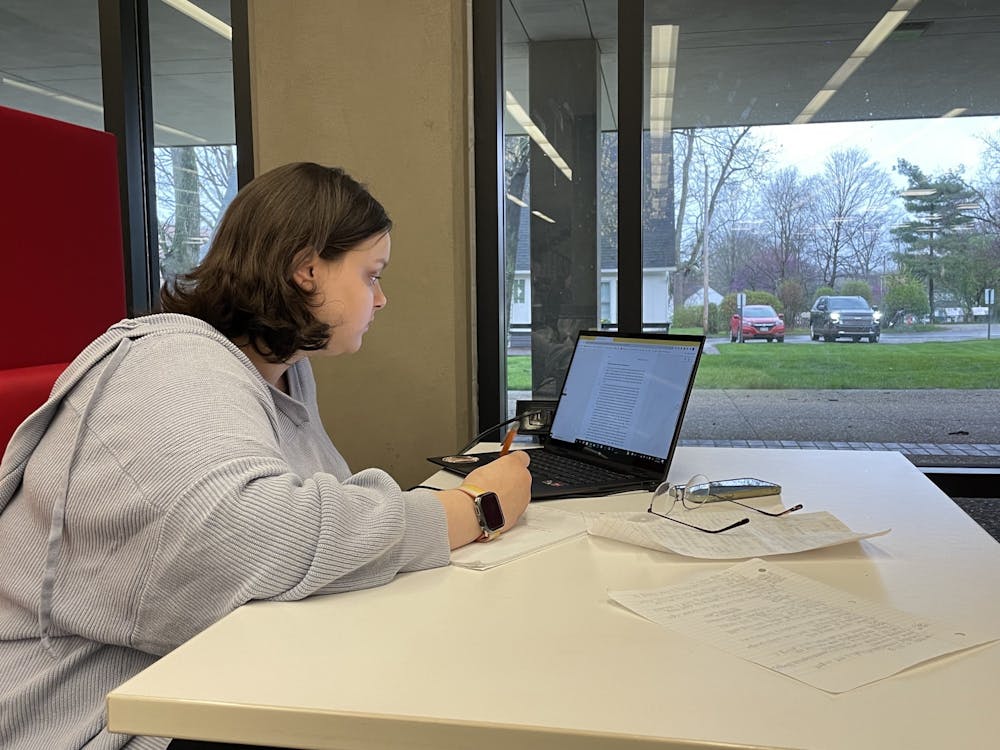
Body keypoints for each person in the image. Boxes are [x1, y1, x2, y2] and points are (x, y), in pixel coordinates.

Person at [0, 162, 532, 749]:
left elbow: (318, 523)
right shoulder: (170, 369)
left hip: (191, 676)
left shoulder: (282, 374)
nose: (381, 298)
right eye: (371, 274)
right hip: (95, 714)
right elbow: (259, 541)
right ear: (307, 271)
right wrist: (474, 508)